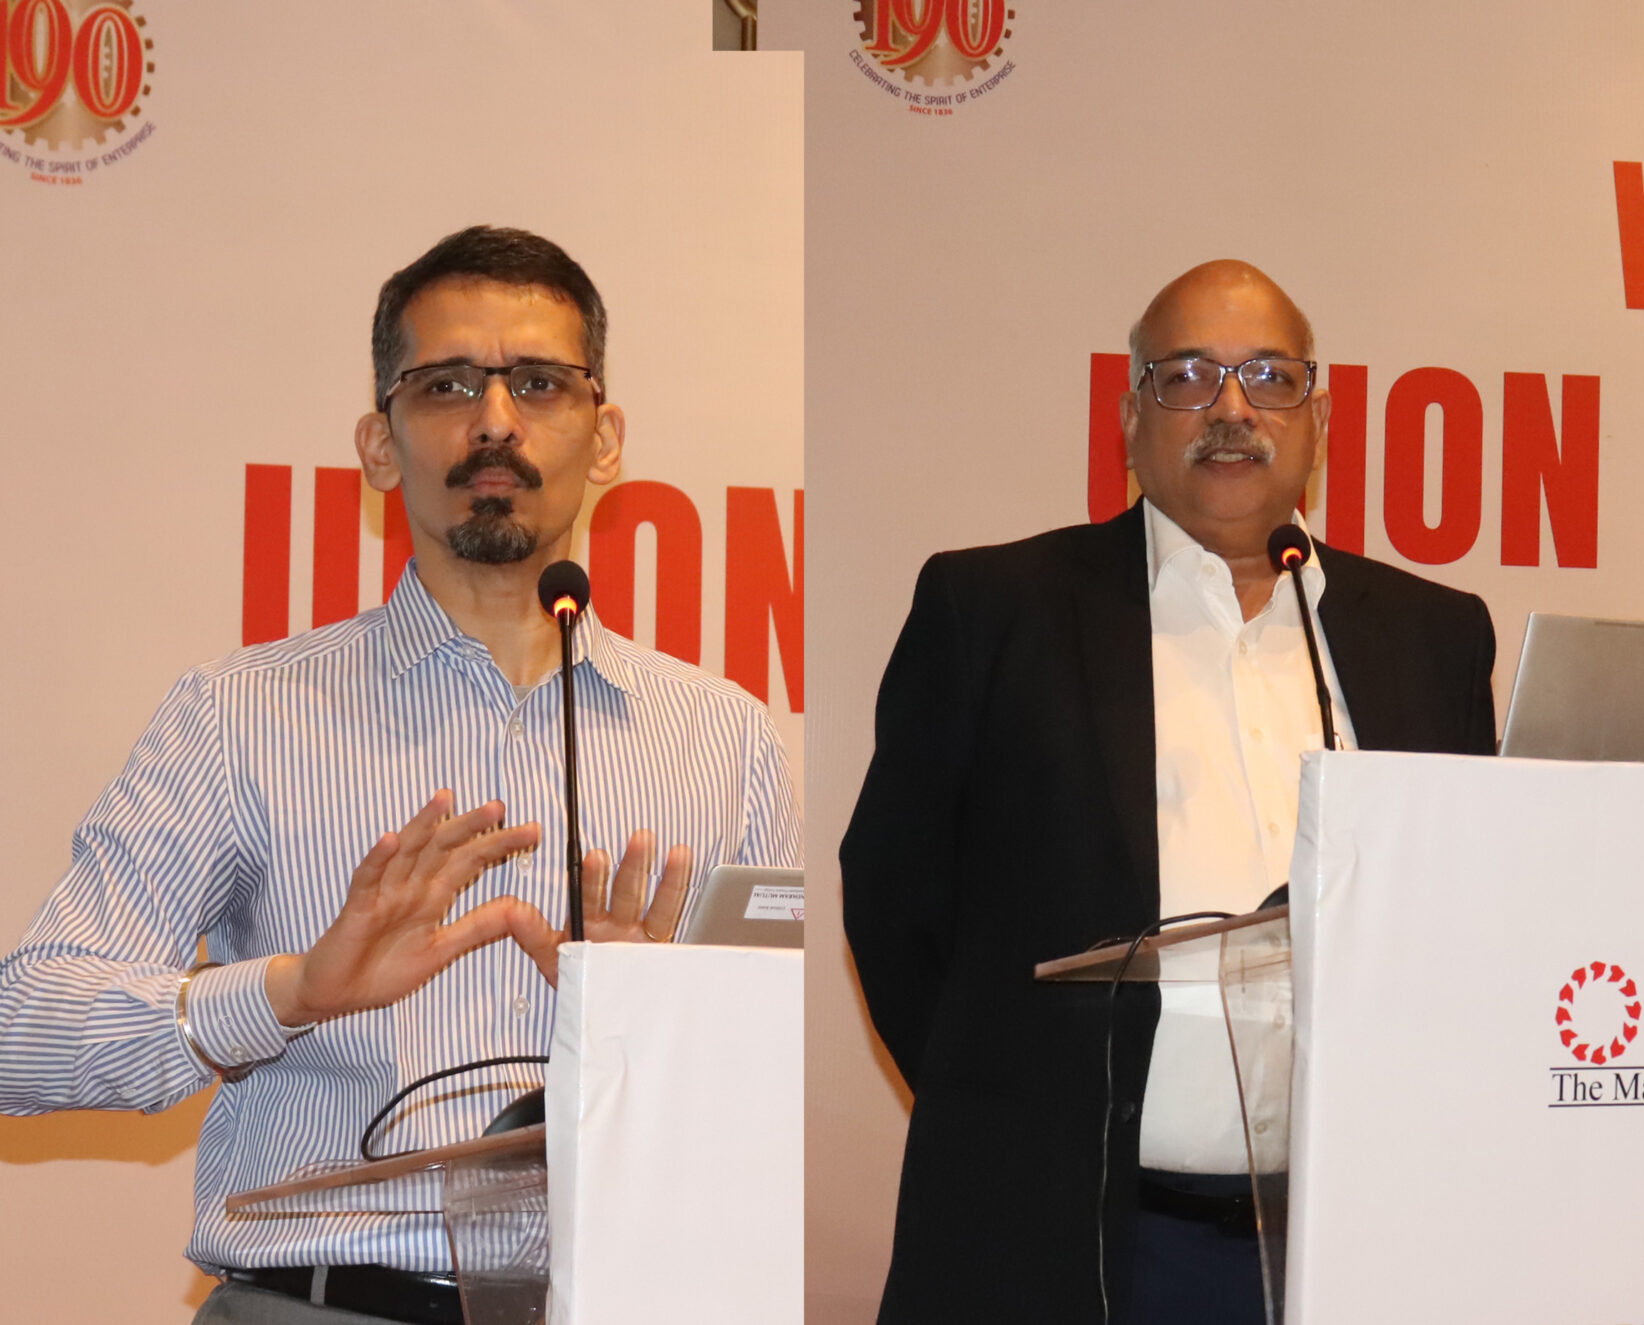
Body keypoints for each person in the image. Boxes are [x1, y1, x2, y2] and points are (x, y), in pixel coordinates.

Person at [0, 226, 803, 1325]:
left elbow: (774, 1106)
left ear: (606, 436)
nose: (496, 420)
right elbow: (21, 1033)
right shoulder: (240, 714)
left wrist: (670, 1024)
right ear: (380, 447)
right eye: (447, 385)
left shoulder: (726, 739)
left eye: (539, 382)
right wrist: (290, 992)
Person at [843, 259, 1497, 1323]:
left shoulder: (1432, 636)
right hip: (1059, 1245)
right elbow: (893, 901)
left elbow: (1465, 922)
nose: (1232, 408)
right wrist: (1014, 1116)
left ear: (1320, 419)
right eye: (1187, 375)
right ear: (1129, 418)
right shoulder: (994, 611)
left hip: (1352, 1244)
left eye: (1270, 376)